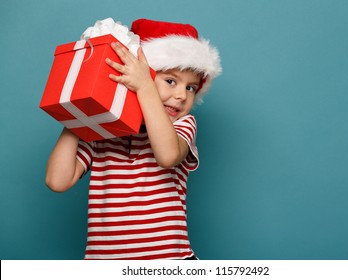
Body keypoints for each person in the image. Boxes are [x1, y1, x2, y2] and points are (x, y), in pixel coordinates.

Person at [45, 18, 222, 260]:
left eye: (191, 88)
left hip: (169, 260)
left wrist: (146, 88)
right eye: (170, 81)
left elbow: (168, 155)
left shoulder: (183, 124)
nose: (181, 95)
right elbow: (57, 181)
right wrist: (79, 111)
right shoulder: (102, 131)